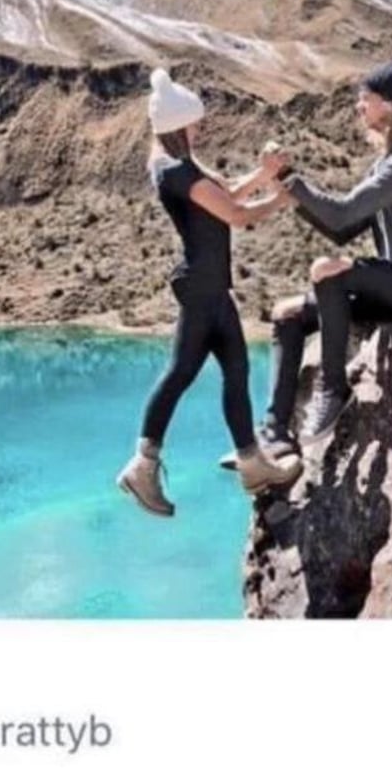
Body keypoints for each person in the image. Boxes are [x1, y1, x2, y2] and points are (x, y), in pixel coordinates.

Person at [117, 69, 303, 516]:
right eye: (194, 123)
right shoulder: (179, 174)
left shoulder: (177, 167)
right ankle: (143, 465)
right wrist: (283, 198)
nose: (199, 129)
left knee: (234, 370)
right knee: (181, 371)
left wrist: (264, 174)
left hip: (211, 287)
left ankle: (252, 462)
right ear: (179, 127)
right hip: (204, 287)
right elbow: (236, 214)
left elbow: (228, 193)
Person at [262, 61, 392, 448]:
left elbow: (342, 211)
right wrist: (291, 193)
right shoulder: (385, 163)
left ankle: (334, 391)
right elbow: (341, 230)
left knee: (326, 271)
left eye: (366, 99)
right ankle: (274, 435)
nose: (359, 107)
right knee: (287, 315)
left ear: (391, 106)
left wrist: (289, 180)